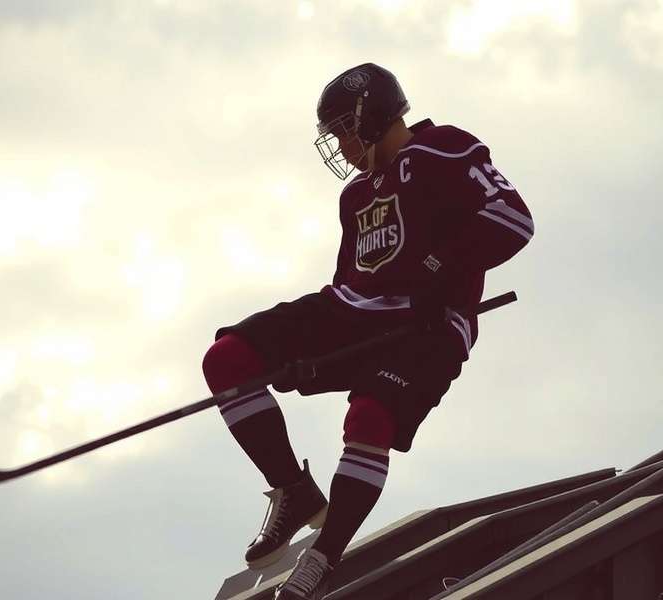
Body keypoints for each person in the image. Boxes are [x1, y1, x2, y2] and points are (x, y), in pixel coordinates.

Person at [201, 63, 534, 599]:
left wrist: (438, 271)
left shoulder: (445, 148)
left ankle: (322, 558)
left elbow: (513, 219)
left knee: (371, 418)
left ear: (373, 114)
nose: (340, 144)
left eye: (341, 128)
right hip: (352, 309)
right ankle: (293, 490)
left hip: (429, 324)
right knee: (228, 359)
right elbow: (348, 282)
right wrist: (319, 353)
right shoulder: (354, 196)